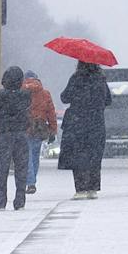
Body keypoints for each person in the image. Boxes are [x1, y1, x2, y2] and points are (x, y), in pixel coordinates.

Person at [58, 59, 109, 199]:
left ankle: (80, 189)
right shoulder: (101, 79)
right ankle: (93, 188)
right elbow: (108, 100)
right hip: (96, 123)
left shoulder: (76, 78)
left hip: (78, 123)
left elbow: (64, 97)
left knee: (79, 155)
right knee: (94, 156)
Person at [0, 65, 32, 211]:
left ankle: (1, 199)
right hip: (21, 133)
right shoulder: (25, 95)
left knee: (3, 167)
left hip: (5, 134)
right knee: (21, 167)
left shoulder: (2, 95)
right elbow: (27, 105)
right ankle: (20, 199)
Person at [24, 72, 57, 194]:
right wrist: (53, 130)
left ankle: (30, 182)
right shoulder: (45, 93)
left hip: (25, 127)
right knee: (35, 155)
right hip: (39, 128)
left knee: (27, 156)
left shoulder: (21, 91)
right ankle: (32, 181)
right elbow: (51, 113)